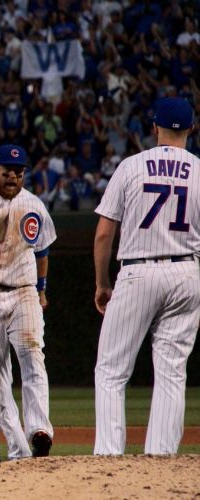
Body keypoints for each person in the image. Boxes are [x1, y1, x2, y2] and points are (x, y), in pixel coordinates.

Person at [94, 97, 200, 455]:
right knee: (172, 371)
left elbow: (105, 232)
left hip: (138, 270)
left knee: (111, 369)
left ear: (154, 128)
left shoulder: (131, 166)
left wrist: (102, 283)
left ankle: (108, 457)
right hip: (187, 270)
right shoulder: (199, 170)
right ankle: (161, 458)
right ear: (190, 129)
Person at [0, 143, 56, 459]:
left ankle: (39, 430)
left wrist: (42, 288)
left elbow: (42, 250)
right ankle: (19, 448)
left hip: (23, 291)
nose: (13, 176)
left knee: (33, 355)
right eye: (7, 170)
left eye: (18, 171)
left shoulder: (34, 205)